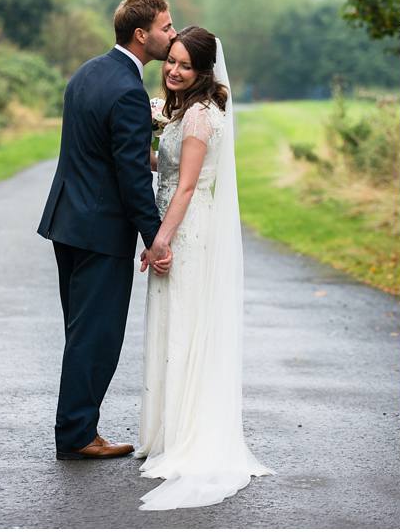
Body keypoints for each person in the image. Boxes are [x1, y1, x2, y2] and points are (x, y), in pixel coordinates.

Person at [134, 26, 272, 510]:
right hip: (179, 222)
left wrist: (161, 241)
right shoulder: (185, 112)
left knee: (186, 326)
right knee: (173, 322)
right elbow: (167, 169)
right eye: (170, 60)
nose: (173, 70)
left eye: (184, 65)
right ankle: (168, 430)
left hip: (188, 232)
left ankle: (188, 434)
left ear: (204, 71)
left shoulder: (198, 117)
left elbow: (188, 187)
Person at [38, 0, 175, 460]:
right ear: (142, 35)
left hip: (66, 222)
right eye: (166, 27)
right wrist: (155, 239)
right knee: (95, 336)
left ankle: (77, 427)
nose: (172, 35)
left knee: (80, 332)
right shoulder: (129, 92)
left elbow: (93, 154)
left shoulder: (87, 73)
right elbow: (131, 177)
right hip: (100, 232)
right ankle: (77, 434)